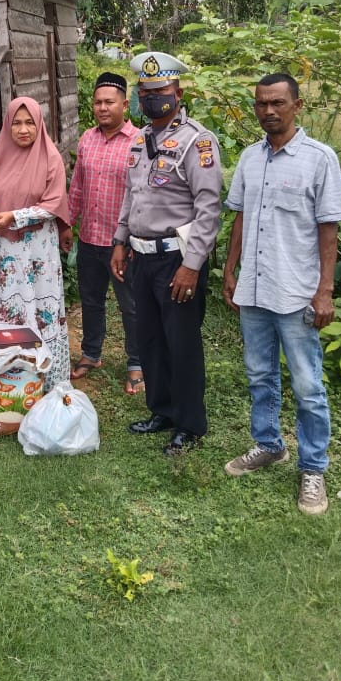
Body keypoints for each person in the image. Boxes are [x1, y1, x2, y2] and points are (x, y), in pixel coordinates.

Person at [223, 73, 341, 515]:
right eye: (261, 103)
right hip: (255, 290)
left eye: (277, 102)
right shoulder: (249, 159)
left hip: (296, 292)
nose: (268, 111)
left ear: (297, 106)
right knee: (260, 375)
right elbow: (239, 217)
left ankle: (313, 467)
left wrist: (325, 291)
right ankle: (268, 444)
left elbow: (328, 228)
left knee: (307, 385)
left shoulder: (319, 159)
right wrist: (230, 268)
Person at [111, 52, 222, 456]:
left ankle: (190, 424)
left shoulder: (198, 140)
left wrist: (192, 266)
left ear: (177, 92)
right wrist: (121, 241)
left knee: (182, 342)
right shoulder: (140, 139)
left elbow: (209, 208)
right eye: (146, 92)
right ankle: (162, 411)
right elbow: (131, 196)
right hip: (142, 257)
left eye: (161, 91)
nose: (153, 98)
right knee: (151, 339)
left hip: (178, 259)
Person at [0, 96, 71, 388]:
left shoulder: (50, 157)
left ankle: (45, 380)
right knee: (8, 310)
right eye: (16, 123)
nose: (23, 129)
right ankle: (6, 383)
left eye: (29, 122)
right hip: (4, 250)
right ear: (8, 126)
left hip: (37, 252)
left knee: (39, 310)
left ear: (39, 123)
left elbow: (52, 204)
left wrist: (14, 217)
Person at [64, 71, 142, 393]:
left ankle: (137, 362)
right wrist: (68, 222)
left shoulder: (139, 141)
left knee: (131, 305)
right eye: (97, 102)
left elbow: (141, 195)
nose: (102, 107)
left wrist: (133, 239)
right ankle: (91, 353)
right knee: (91, 300)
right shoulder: (87, 139)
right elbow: (78, 186)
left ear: (124, 104)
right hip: (89, 239)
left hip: (121, 243)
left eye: (109, 102)